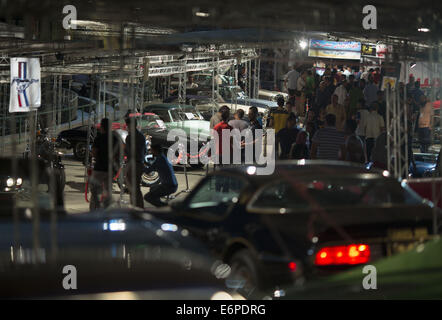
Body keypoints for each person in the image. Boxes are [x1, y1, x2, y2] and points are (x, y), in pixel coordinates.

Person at [89, 118, 121, 210]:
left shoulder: (99, 138)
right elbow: (120, 152)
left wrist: (97, 157)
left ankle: (93, 211)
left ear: (102, 127)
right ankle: (107, 211)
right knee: (107, 192)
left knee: (95, 191)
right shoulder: (115, 138)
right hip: (110, 169)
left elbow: (94, 152)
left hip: (99, 168)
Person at [124, 117, 146, 208]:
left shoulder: (129, 137)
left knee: (133, 188)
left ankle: (135, 208)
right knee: (136, 188)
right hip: (140, 163)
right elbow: (144, 151)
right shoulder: (141, 136)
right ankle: (138, 207)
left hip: (133, 164)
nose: (127, 127)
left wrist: (123, 148)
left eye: (127, 125)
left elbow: (129, 152)